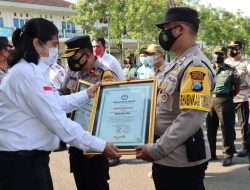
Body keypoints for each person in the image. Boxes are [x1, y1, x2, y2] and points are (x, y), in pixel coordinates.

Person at [0, 18, 120, 190]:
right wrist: (100, 145)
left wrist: (87, 93)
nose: (56, 49)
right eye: (54, 44)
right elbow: (58, 122)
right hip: (21, 166)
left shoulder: (31, 71)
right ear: (37, 43)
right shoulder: (26, 74)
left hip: (28, 162)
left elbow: (56, 102)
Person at [136, 7, 215, 190]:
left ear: (180, 29)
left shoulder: (196, 67)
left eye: (166, 28)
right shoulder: (177, 62)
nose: (163, 34)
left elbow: (191, 117)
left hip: (180, 163)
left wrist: (157, 150)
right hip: (167, 158)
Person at [62, 35, 119, 190]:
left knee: (96, 184)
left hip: (96, 142)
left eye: (73, 57)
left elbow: (114, 109)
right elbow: (63, 94)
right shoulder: (73, 72)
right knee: (81, 182)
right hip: (75, 140)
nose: (70, 62)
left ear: (86, 55)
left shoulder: (105, 74)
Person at [206, 47, 241, 166]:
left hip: (225, 100)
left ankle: (228, 155)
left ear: (224, 56)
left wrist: (228, 96)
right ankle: (211, 153)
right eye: (216, 53)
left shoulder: (231, 70)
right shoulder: (209, 69)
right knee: (210, 128)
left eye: (220, 54)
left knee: (226, 129)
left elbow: (237, 88)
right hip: (210, 100)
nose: (217, 56)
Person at [226, 40, 250, 157]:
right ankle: (230, 147)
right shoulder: (226, 62)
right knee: (228, 124)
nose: (231, 50)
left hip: (243, 95)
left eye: (234, 47)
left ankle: (245, 147)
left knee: (243, 124)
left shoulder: (246, 63)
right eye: (229, 47)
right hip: (228, 97)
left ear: (240, 49)